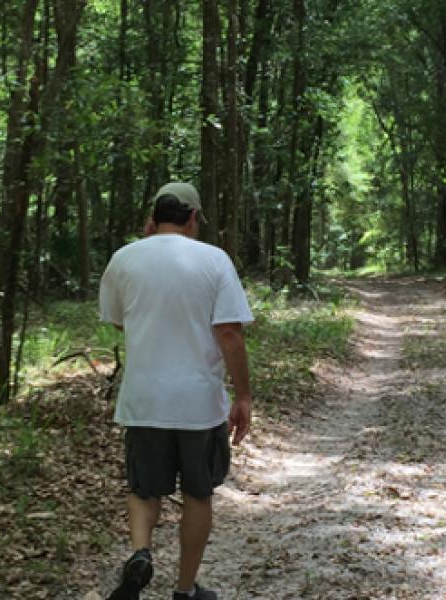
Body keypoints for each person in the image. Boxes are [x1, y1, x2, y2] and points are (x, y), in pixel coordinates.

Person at [98, 182, 254, 600]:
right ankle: (185, 590)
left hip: (143, 400)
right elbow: (230, 334)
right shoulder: (214, 260)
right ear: (193, 217)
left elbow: (118, 320)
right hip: (198, 404)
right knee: (198, 495)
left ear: (153, 218)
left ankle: (141, 552)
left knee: (144, 489)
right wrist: (243, 396)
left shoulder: (124, 259)